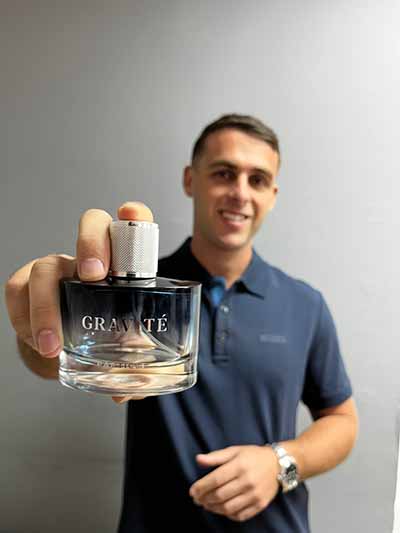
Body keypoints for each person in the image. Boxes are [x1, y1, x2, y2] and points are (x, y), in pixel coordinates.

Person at [5, 113, 358, 532]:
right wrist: (43, 328)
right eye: (224, 173)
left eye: (258, 179)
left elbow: (342, 421)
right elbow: (48, 363)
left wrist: (280, 463)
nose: (240, 193)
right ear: (191, 179)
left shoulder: (305, 304)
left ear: (273, 194)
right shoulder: (130, 288)